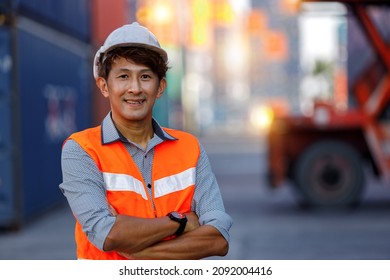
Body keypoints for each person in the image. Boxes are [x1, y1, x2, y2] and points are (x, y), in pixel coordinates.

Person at [59, 22, 233, 260]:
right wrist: (181, 222)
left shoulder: (189, 148)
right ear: (104, 86)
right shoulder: (81, 150)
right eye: (123, 76)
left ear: (160, 87)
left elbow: (218, 238)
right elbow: (107, 235)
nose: (135, 88)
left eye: (145, 77)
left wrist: (140, 253)